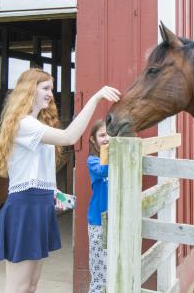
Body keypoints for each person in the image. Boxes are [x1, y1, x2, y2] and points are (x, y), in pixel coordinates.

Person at [0, 68, 120, 293]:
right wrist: (96, 98)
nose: (50, 93)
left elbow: (39, 167)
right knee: (18, 288)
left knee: (31, 285)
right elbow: (69, 137)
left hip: (39, 205)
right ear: (30, 90)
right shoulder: (24, 124)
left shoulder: (36, 124)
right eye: (45, 88)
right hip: (24, 207)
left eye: (51, 88)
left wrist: (54, 192)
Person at [86, 120, 110, 293]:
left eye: (110, 134)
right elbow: (103, 170)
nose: (107, 138)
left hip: (115, 218)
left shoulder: (116, 158)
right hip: (99, 220)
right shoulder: (92, 161)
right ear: (93, 140)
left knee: (113, 264)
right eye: (102, 135)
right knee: (99, 268)